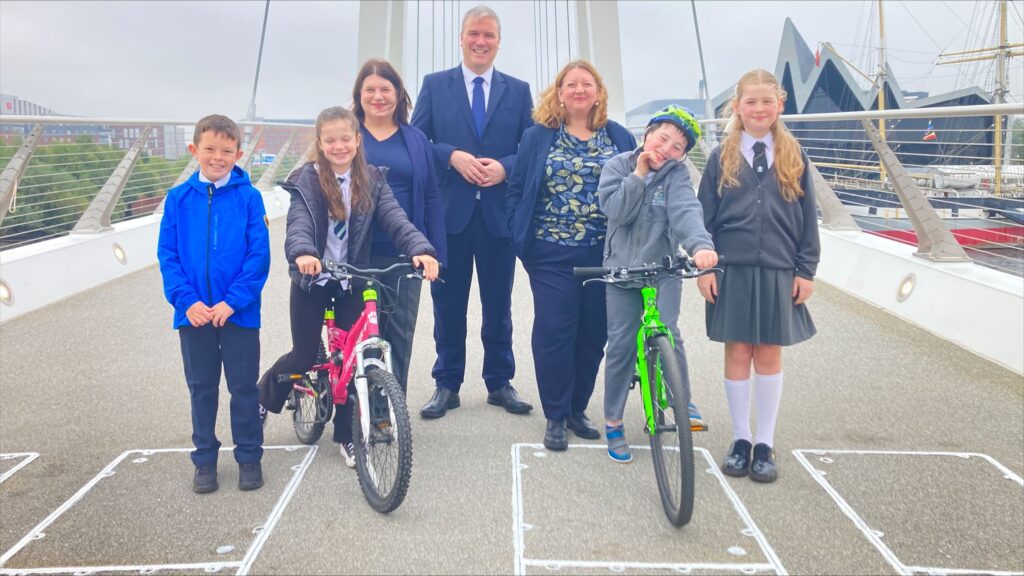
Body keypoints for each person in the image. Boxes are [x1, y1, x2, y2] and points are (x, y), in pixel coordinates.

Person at [257, 106, 439, 467]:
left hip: (352, 277)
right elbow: (298, 225)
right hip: (314, 279)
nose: (339, 146)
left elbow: (395, 219)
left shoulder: (372, 180)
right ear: (320, 144)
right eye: (331, 140)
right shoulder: (306, 180)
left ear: (357, 141)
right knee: (306, 355)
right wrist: (304, 252)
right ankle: (264, 396)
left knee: (355, 358)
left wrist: (420, 249)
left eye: (346, 139)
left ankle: (347, 436)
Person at [411, 5, 535, 420]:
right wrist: (451, 156)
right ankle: (447, 383)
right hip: (450, 218)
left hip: (499, 217)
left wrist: (506, 167)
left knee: (498, 306)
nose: (480, 42)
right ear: (461, 38)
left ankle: (499, 382)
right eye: (473, 34)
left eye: (489, 36)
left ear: (499, 42)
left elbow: (530, 148)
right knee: (448, 305)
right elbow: (417, 141)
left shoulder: (518, 91)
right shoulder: (434, 85)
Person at [696, 69, 820, 483]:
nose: (759, 109)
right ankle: (741, 438)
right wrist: (706, 267)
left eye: (767, 101)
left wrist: (806, 268)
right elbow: (704, 219)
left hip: (779, 268)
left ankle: (765, 442)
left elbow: (807, 220)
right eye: (750, 102)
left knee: (767, 352)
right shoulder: (721, 156)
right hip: (731, 268)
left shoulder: (794, 154)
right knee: (737, 352)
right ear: (737, 106)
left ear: (779, 105)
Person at [506, 60, 636, 451]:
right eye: (570, 84)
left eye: (587, 83)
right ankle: (556, 415)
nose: (579, 89)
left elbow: (637, 188)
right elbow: (516, 189)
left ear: (598, 92)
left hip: (604, 251)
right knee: (554, 330)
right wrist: (521, 240)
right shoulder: (537, 137)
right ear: (559, 93)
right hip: (550, 251)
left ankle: (579, 409)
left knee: (593, 333)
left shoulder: (619, 137)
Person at [598, 105, 718, 464]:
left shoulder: (677, 176)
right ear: (647, 134)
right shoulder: (618, 165)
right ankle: (614, 420)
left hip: (662, 269)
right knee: (620, 345)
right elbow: (616, 211)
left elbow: (685, 213)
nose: (667, 149)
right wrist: (638, 174)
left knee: (669, 332)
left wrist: (701, 247)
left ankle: (680, 398)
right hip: (621, 272)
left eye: (678, 147)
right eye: (662, 138)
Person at [157, 114, 271, 493]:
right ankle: (204, 459)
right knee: (202, 387)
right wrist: (186, 301)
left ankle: (249, 457)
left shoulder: (249, 198)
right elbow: (168, 256)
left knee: (243, 388)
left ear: (238, 154)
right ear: (195, 150)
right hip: (193, 315)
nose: (217, 157)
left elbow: (258, 257)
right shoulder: (177, 200)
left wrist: (232, 302)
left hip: (238, 315)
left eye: (226, 151)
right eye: (209, 149)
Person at [353, 58, 447, 394]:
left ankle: (390, 414)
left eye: (385, 89)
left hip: (404, 254)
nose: (378, 96)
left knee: (399, 336)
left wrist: (434, 250)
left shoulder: (415, 138)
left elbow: (432, 196)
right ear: (359, 95)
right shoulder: (348, 134)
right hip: (356, 254)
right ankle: (358, 414)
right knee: (360, 337)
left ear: (398, 94)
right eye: (370, 90)